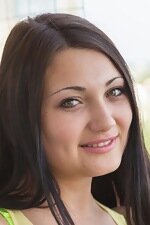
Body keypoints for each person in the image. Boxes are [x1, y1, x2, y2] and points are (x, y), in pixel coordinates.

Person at [0, 13, 149, 225]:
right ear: (20, 115)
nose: (106, 121)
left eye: (114, 91)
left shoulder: (134, 219)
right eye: (71, 102)